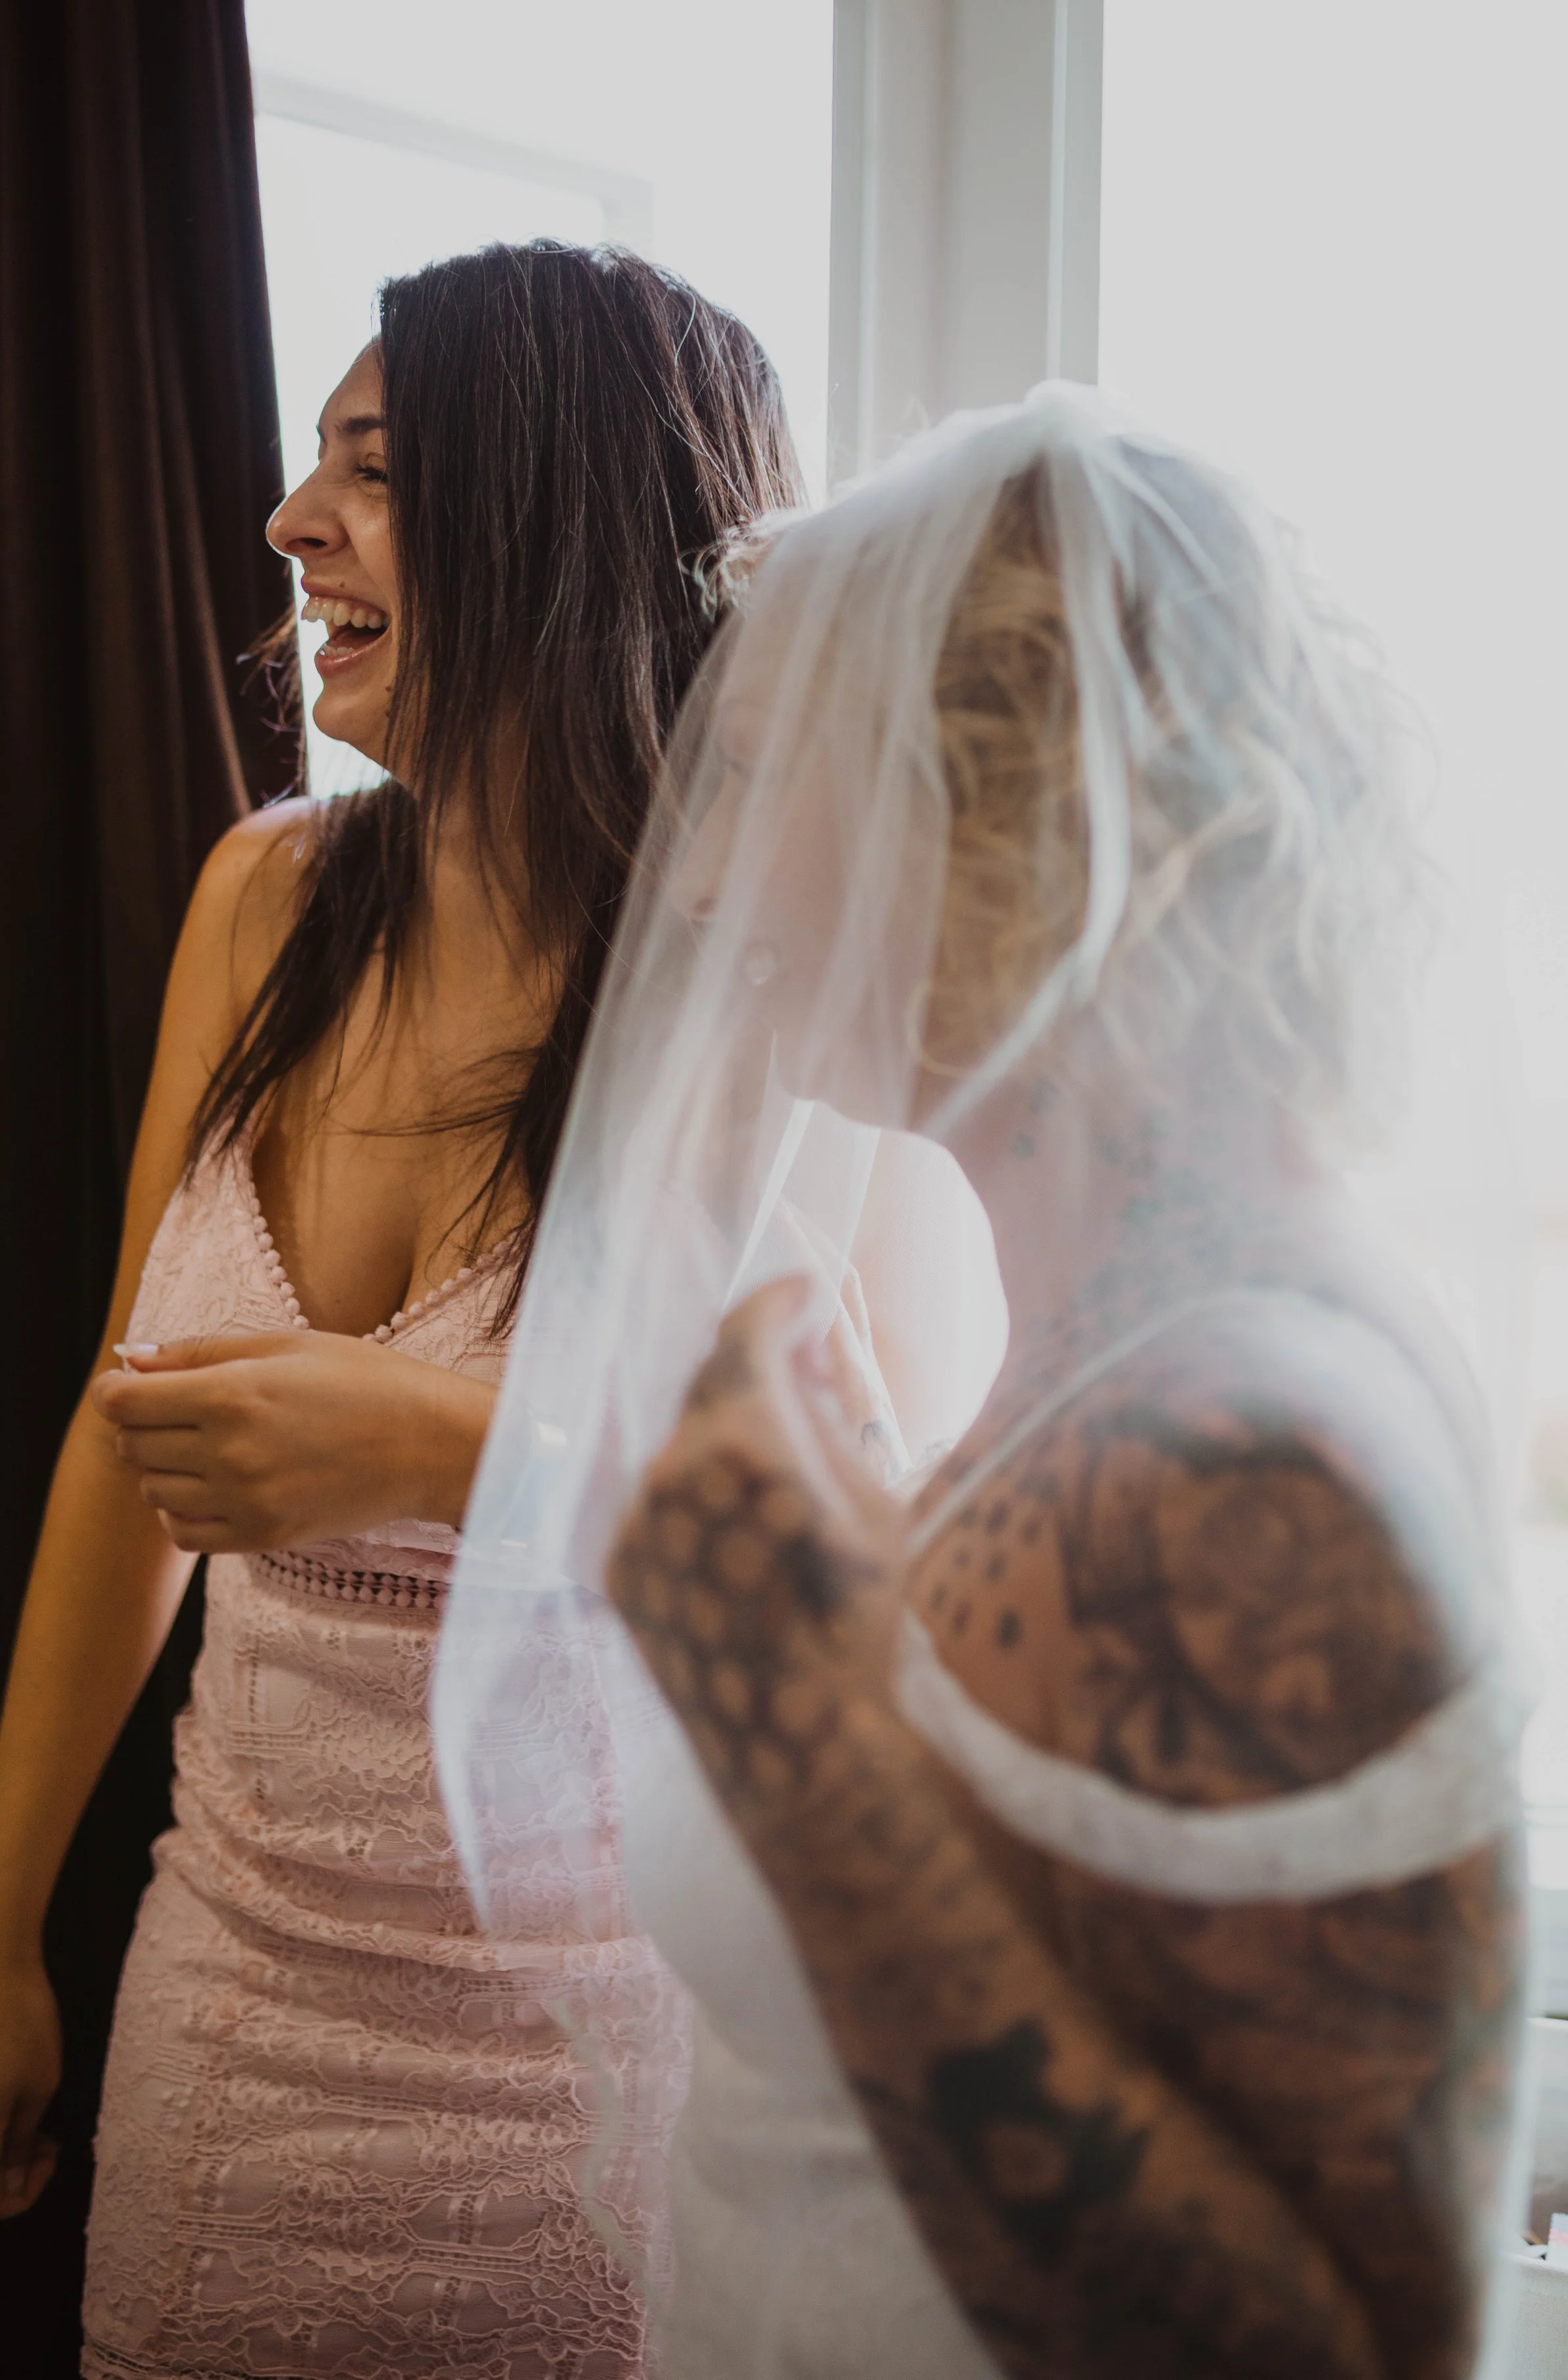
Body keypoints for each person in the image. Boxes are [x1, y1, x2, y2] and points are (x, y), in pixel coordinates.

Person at [435, 392, 1527, 2379]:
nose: (692, 892)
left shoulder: (1252, 1443)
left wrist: (808, 1733)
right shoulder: (1100, 1349)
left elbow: (1367, 2347)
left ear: (999, 802)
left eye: (757, 775)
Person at [0, 240, 801, 2377]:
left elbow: (861, 1580)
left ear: (568, 516)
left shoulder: (775, 993)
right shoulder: (265, 898)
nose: (289, 520)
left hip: (589, 2069)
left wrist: (446, 1448)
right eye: (313, 463)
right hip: (219, 1993)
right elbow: (125, 1443)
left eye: (376, 470)